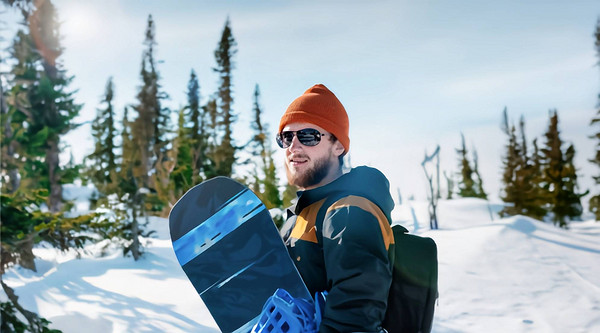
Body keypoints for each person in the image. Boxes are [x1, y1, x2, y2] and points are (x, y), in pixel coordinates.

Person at [277, 84, 395, 333]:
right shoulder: (300, 215)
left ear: (338, 146)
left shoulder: (349, 213)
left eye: (309, 136)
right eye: (287, 137)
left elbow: (354, 318)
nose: (294, 147)